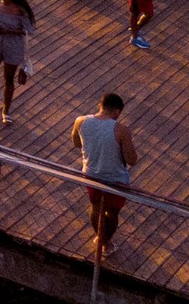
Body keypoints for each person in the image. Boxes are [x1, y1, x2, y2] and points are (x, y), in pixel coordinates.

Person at [71, 93, 137, 259]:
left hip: (91, 175)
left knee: (95, 207)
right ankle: (106, 242)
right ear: (116, 111)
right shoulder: (121, 130)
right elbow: (132, 159)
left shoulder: (81, 121)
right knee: (112, 213)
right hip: (116, 179)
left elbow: (76, 143)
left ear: (100, 105)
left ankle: (100, 238)